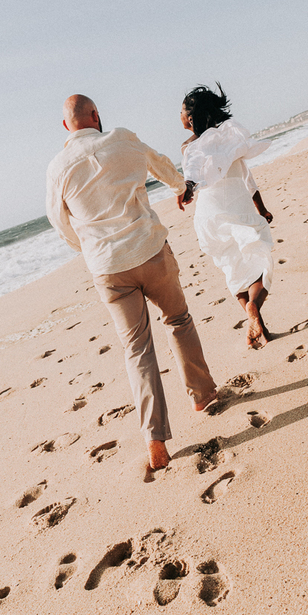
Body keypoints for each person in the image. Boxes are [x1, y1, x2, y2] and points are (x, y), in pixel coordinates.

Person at [46, 94, 217, 472]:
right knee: (178, 320)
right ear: (96, 115)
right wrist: (180, 189)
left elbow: (59, 224)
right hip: (149, 249)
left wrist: (90, 249)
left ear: (65, 127)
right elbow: (161, 167)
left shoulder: (57, 167)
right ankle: (203, 396)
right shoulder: (123, 138)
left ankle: (155, 439)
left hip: (108, 268)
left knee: (137, 350)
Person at [179, 84, 276, 349]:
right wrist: (262, 208)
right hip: (237, 203)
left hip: (209, 212)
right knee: (261, 258)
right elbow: (248, 179)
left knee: (231, 267)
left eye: (181, 110)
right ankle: (255, 308)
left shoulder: (189, 146)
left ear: (190, 118)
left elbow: (193, 172)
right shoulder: (229, 138)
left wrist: (187, 188)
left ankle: (257, 324)